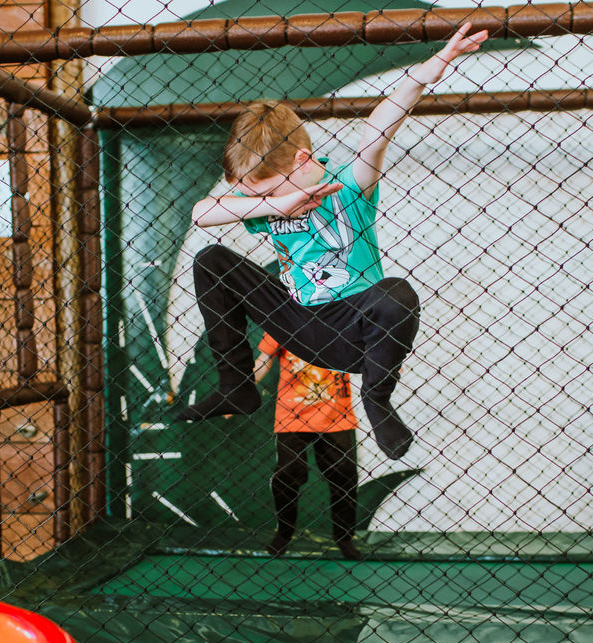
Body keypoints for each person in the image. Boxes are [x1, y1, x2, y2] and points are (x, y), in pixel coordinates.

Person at [180, 23, 489, 459]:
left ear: (303, 161)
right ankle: (236, 386)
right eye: (259, 196)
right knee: (211, 259)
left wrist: (425, 73)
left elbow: (379, 129)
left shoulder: (349, 184)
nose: (266, 201)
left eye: (270, 190)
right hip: (300, 322)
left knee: (396, 294)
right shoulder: (270, 204)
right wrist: (275, 205)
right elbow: (202, 214)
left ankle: (377, 400)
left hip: (354, 331)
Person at [254, 332, 361, 559]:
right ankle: (284, 533)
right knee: (288, 473)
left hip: (336, 415)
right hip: (293, 415)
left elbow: (370, 350)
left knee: (345, 475)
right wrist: (237, 390)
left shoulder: (344, 315)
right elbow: (263, 361)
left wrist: (388, 364)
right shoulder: (281, 317)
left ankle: (344, 538)